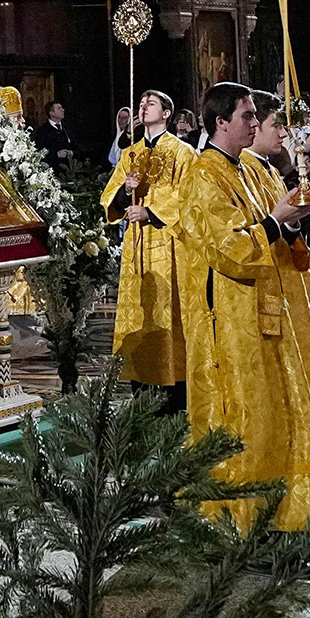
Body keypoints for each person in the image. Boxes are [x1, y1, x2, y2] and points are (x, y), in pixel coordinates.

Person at [176, 84, 310, 530]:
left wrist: (290, 226)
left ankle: (287, 512)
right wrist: (275, 222)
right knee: (246, 419)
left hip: (269, 310)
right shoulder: (203, 176)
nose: (253, 123)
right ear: (220, 121)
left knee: (280, 413)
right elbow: (229, 250)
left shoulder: (248, 168)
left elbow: (270, 233)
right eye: (246, 116)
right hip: (231, 320)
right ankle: (238, 518)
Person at [102, 89, 197, 401]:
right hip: (137, 247)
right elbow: (108, 199)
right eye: (141, 103)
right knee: (139, 314)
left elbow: (190, 197)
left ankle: (176, 392)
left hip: (170, 246)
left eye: (151, 103)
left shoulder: (183, 152)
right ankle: (141, 389)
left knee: (171, 315)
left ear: (167, 113)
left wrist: (151, 212)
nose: (143, 107)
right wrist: (123, 192)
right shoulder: (130, 153)